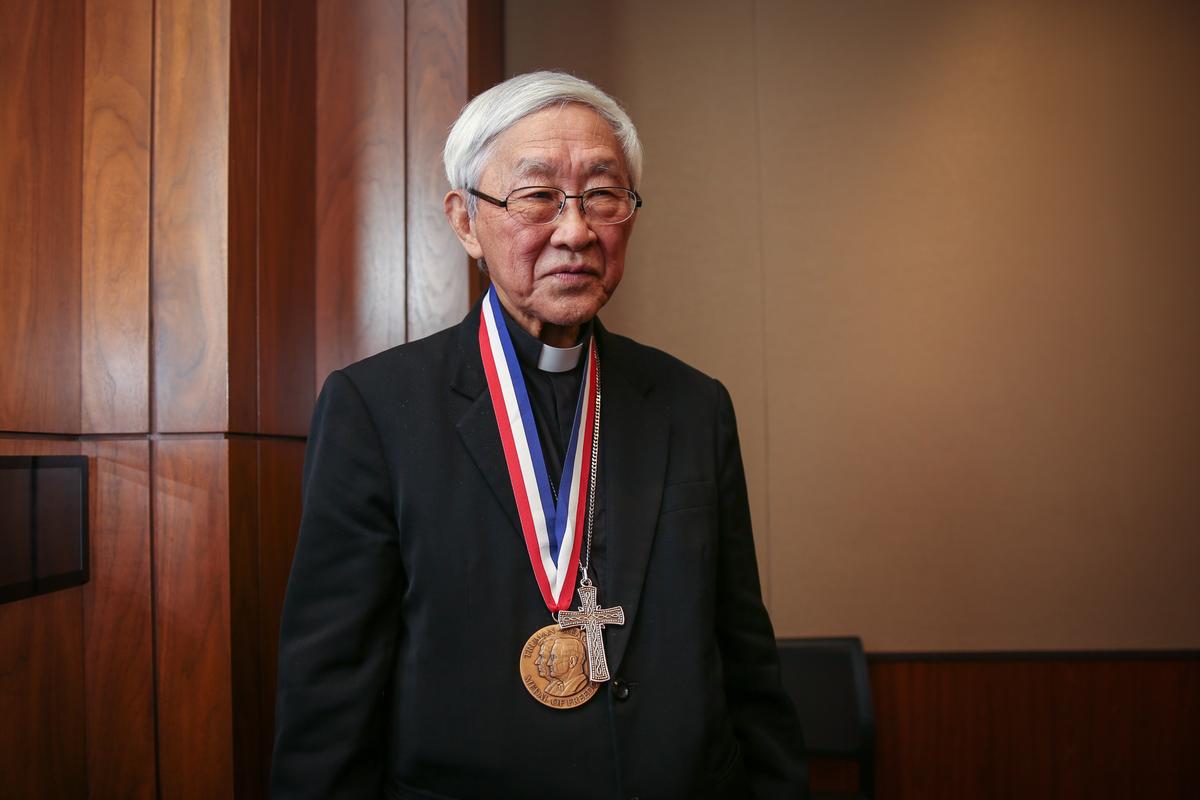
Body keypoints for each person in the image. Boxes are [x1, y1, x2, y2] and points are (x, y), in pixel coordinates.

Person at [272, 70, 807, 799]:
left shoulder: (692, 404)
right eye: (537, 196)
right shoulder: (375, 410)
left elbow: (746, 659)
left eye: (602, 194)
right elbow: (329, 695)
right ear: (466, 221)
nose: (576, 229)